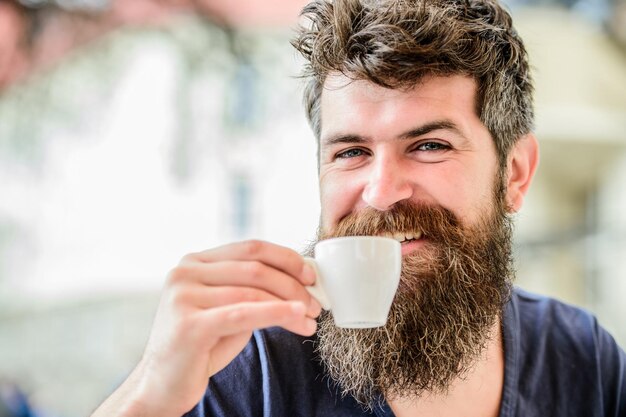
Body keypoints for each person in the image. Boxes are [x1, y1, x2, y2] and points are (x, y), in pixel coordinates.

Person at [91, 0, 626, 416]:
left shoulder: (583, 359)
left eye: (429, 145)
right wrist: (148, 396)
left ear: (514, 174)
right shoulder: (242, 372)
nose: (380, 190)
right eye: (351, 152)